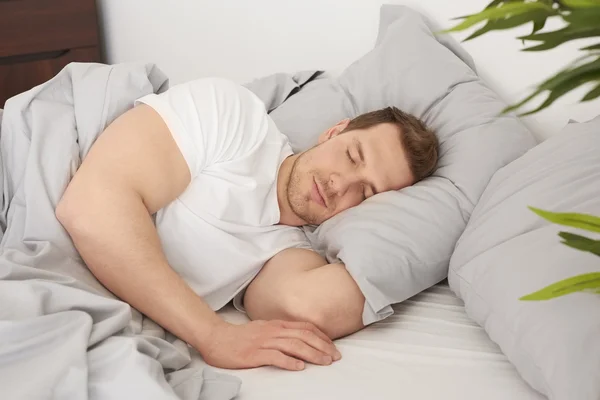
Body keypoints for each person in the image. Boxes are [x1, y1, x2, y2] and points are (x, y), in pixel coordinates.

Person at [56, 77, 438, 372]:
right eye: (353, 156)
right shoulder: (236, 118)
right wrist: (212, 334)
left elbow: (311, 308)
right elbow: (89, 207)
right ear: (335, 130)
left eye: (367, 193)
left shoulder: (288, 252)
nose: (341, 185)